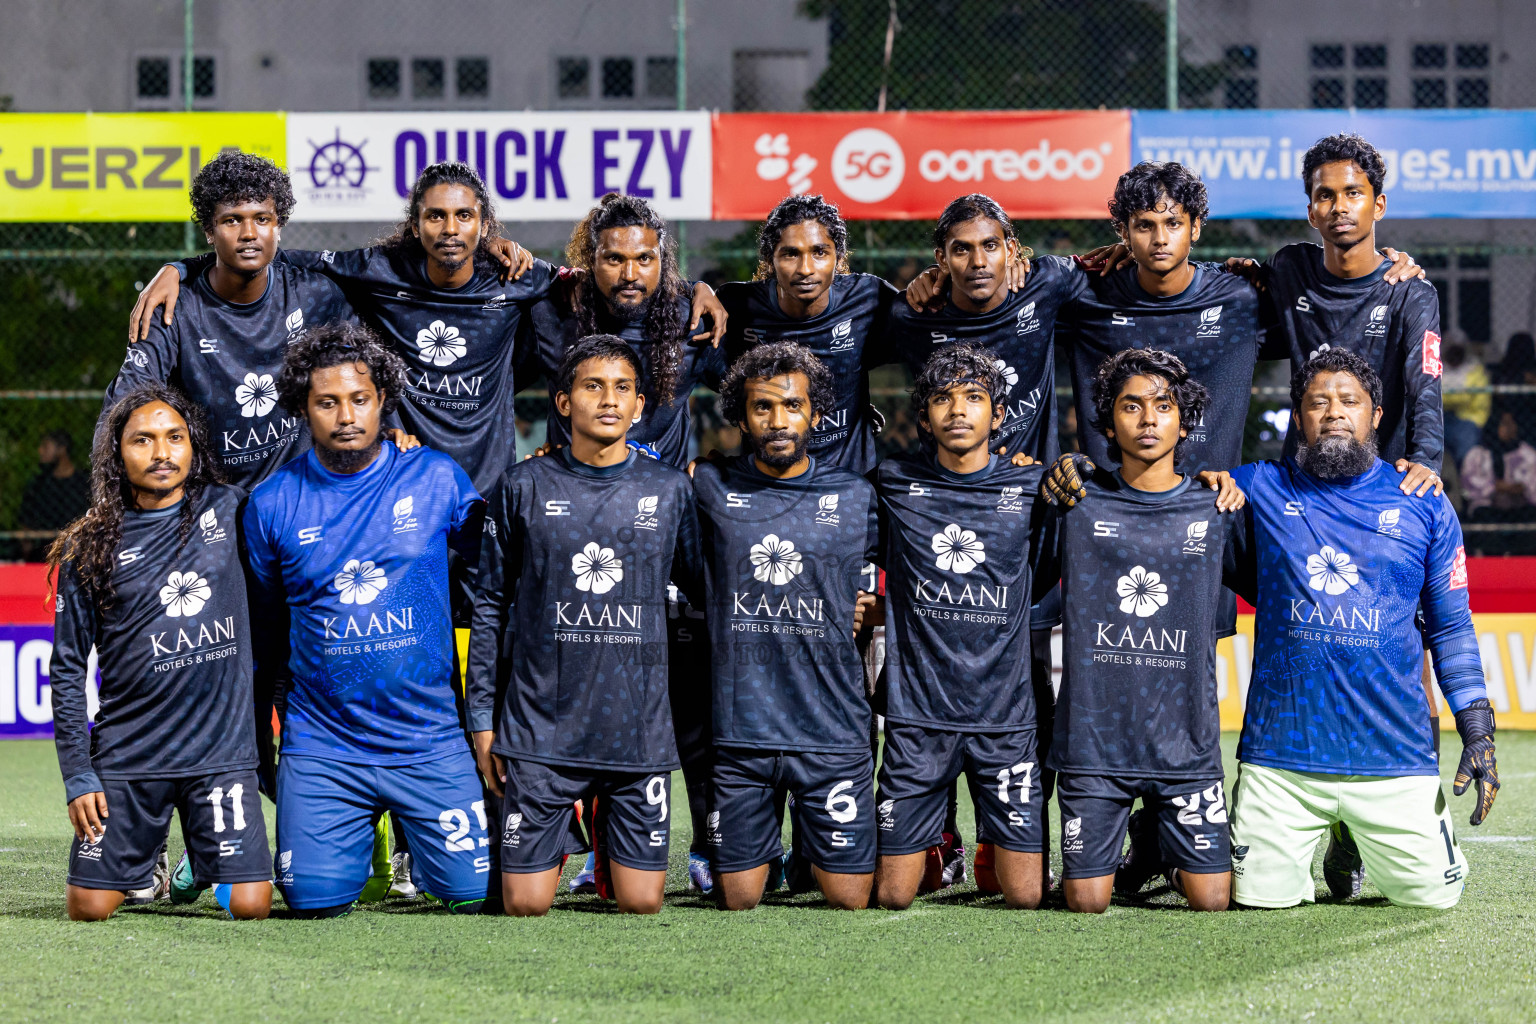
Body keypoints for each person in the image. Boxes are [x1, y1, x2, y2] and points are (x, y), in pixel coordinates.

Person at [1226, 348, 1498, 910]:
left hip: (1393, 758)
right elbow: (1162, 496)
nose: (1334, 413)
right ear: (1299, 416)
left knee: (1435, 900)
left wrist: (1479, 732)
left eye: (1349, 401)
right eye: (1317, 402)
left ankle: (1348, 838)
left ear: (1376, 415)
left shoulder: (1422, 501)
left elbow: (1450, 628)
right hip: (1282, 763)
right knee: (1254, 901)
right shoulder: (1257, 486)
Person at [243, 323, 490, 917]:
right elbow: (265, 631)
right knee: (312, 901)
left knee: (474, 894)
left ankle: (400, 829)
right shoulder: (271, 502)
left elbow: (499, 564)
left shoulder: (433, 475)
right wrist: (261, 741)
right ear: (303, 407)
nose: (345, 415)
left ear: (383, 401)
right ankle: (352, 830)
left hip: (430, 739)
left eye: (360, 399)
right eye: (327, 402)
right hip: (325, 744)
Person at [528, 193, 727, 894]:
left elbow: (765, 362)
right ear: (590, 260)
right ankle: (593, 851)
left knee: (691, 702)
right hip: (578, 540)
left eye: (646, 257)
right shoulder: (549, 314)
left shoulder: (693, 323)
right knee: (587, 704)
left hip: (662, 539)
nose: (630, 271)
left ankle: (708, 846)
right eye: (613, 257)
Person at [466, 335, 702, 916]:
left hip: (636, 732)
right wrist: (482, 721)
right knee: (525, 905)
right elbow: (491, 605)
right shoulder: (521, 486)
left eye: (623, 388)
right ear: (564, 402)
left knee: (642, 902)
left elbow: (703, 595)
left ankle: (607, 830)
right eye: (592, 386)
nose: (608, 399)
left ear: (641, 405)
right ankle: (569, 833)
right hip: (542, 729)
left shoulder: (670, 489)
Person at [48, 383, 271, 921]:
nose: (162, 452)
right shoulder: (91, 545)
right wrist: (80, 775)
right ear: (116, 454)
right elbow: (66, 668)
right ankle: (144, 860)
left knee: (252, 905)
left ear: (193, 446)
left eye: (175, 437)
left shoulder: (232, 509)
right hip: (130, 756)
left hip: (219, 756)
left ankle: (199, 861)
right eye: (142, 440)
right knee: (89, 908)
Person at [1037, 350, 1247, 914]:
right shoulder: (1075, 501)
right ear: (1109, 424)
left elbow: (1274, 588)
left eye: (1164, 407)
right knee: (1085, 902)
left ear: (1185, 421)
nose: (1149, 420)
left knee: (1211, 901)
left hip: (1186, 747)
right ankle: (1135, 837)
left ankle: (1162, 849)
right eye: (1132, 407)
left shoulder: (1216, 505)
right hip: (1094, 747)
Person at [692, 343, 879, 911]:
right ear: (741, 417)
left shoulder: (856, 495)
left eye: (792, 406)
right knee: (738, 899)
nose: (778, 422)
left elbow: (927, 572)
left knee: (850, 899)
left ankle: (807, 853)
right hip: (742, 730)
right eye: (762, 408)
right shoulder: (707, 485)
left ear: (815, 414)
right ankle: (774, 852)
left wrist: (872, 605)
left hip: (831, 729)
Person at [871, 344, 1049, 910]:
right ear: (923, 418)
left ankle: (984, 850)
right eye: (942, 399)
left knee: (1024, 898)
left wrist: (1084, 467)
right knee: (892, 897)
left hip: (1005, 717)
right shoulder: (891, 482)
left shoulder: (1034, 489)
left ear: (998, 416)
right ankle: (935, 848)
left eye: (974, 398)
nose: (958, 410)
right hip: (917, 718)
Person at [104, 152, 353, 489]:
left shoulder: (315, 294)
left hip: (298, 494)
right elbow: (119, 410)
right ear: (209, 230)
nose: (249, 233)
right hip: (209, 499)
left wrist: (389, 428)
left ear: (278, 225)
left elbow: (365, 373)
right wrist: (110, 507)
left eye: (262, 219)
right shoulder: (174, 308)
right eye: (232, 220)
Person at [1462, 411, 1536, 518]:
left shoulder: (1527, 454)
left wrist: (1521, 488)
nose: (1510, 428)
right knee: (1482, 512)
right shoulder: (1478, 454)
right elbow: (1468, 486)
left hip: (1519, 504)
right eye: (1504, 424)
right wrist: (1494, 487)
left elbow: (1532, 484)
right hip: (1487, 505)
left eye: (1512, 423)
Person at [18, 430, 91, 532]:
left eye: (45, 446)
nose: (40, 450)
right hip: (44, 544)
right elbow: (26, 521)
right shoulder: (39, 484)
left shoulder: (85, 481)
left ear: (62, 448)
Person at [1440, 337, 1490, 467]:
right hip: (1438, 416)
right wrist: (1460, 397)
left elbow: (1477, 402)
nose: (1454, 354)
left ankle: (1466, 482)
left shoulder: (1475, 369)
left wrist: (1448, 398)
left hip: (1467, 418)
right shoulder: (1436, 365)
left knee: (1466, 448)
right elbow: (1431, 396)